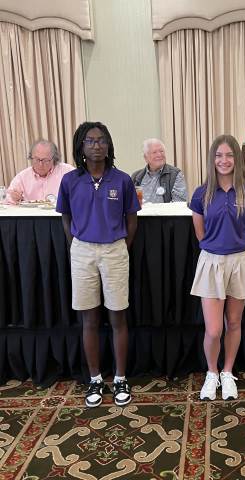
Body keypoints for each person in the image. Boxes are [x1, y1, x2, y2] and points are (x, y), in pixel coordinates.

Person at [56, 121, 141, 408]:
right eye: (91, 141)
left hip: (115, 250)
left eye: (102, 140)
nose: (97, 145)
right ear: (81, 146)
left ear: (109, 145)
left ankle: (119, 378)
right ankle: (95, 378)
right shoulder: (70, 181)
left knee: (118, 317)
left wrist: (119, 247)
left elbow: (132, 219)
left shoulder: (122, 180)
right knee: (89, 319)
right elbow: (66, 217)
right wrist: (76, 244)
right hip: (82, 251)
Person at [190, 134, 245, 401]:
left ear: (237, 158)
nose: (224, 160)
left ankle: (228, 372)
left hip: (240, 261)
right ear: (212, 159)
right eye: (219, 155)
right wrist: (217, 250)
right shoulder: (202, 193)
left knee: (233, 323)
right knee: (213, 329)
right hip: (211, 261)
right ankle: (211, 372)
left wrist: (239, 252)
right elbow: (200, 233)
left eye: (229, 155)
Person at [6, 140, 74, 204]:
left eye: (45, 160)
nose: (40, 164)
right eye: (36, 159)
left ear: (54, 159)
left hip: (61, 215)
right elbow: (8, 198)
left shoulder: (67, 171)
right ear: (31, 158)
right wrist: (14, 198)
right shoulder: (22, 177)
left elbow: (82, 191)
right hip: (32, 215)